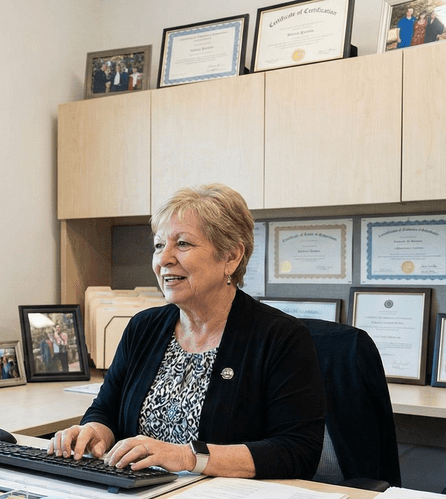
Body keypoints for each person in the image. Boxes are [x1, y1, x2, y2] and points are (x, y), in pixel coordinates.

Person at [49, 184, 325, 480]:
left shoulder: (281, 338)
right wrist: (94, 431)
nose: (163, 259)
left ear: (231, 257)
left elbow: (296, 452)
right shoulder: (143, 328)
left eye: (182, 244)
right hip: (137, 492)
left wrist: (186, 456)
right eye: (158, 245)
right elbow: (106, 409)